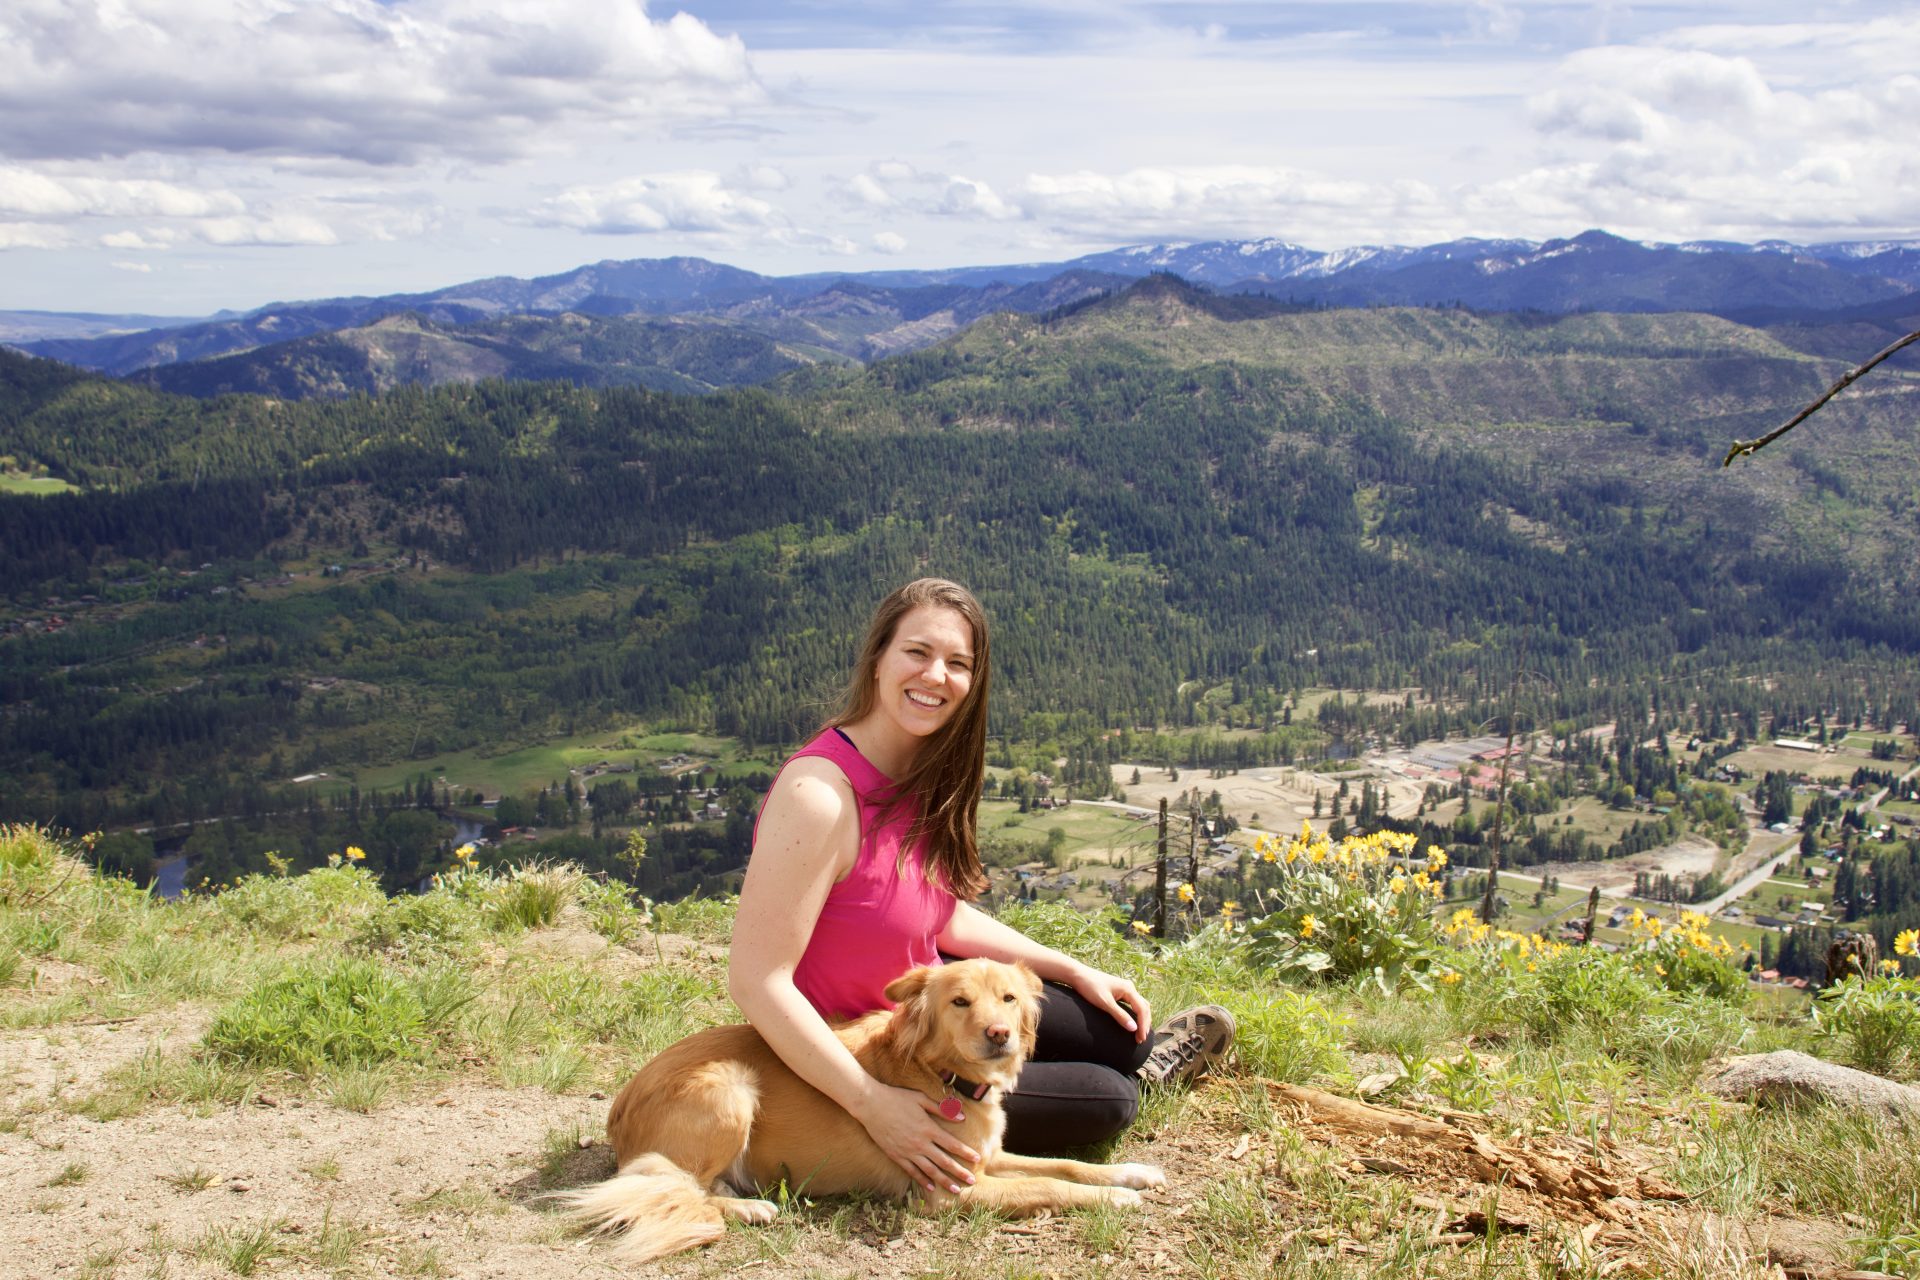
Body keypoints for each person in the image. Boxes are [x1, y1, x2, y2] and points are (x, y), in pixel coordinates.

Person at [729, 577, 1233, 1199]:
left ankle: (1105, 1062)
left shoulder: (912, 771)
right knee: (1113, 1098)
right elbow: (756, 980)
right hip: (876, 1050)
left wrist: (1071, 970)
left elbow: (935, 916)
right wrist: (872, 1104)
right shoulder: (819, 797)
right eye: (917, 652)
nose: (936, 675)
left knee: (1123, 1035)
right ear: (879, 657)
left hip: (940, 1008)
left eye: (958, 663)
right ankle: (1105, 1083)